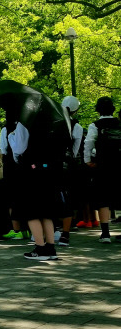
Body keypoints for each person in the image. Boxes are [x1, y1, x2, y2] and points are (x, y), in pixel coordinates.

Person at [7, 115, 65, 260]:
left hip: (30, 170)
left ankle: (40, 248)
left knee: (31, 211)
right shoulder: (52, 121)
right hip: (49, 170)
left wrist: (11, 137)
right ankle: (50, 247)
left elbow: (19, 148)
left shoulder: (24, 122)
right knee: (46, 211)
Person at [84, 97, 121, 243]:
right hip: (119, 164)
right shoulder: (120, 124)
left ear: (98, 110)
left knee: (103, 198)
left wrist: (88, 160)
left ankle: (105, 233)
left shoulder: (95, 125)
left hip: (103, 165)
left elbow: (88, 143)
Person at [57, 96, 84, 246]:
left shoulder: (53, 120)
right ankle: (65, 235)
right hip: (66, 165)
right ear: (75, 110)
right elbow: (75, 149)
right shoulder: (77, 127)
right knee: (66, 199)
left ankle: (51, 230)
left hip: (51, 163)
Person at [0, 111, 30, 241]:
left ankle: (16, 229)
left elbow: (3, 150)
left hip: (11, 168)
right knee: (25, 198)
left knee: (12, 200)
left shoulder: (5, 130)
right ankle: (27, 229)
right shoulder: (27, 127)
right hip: (27, 167)